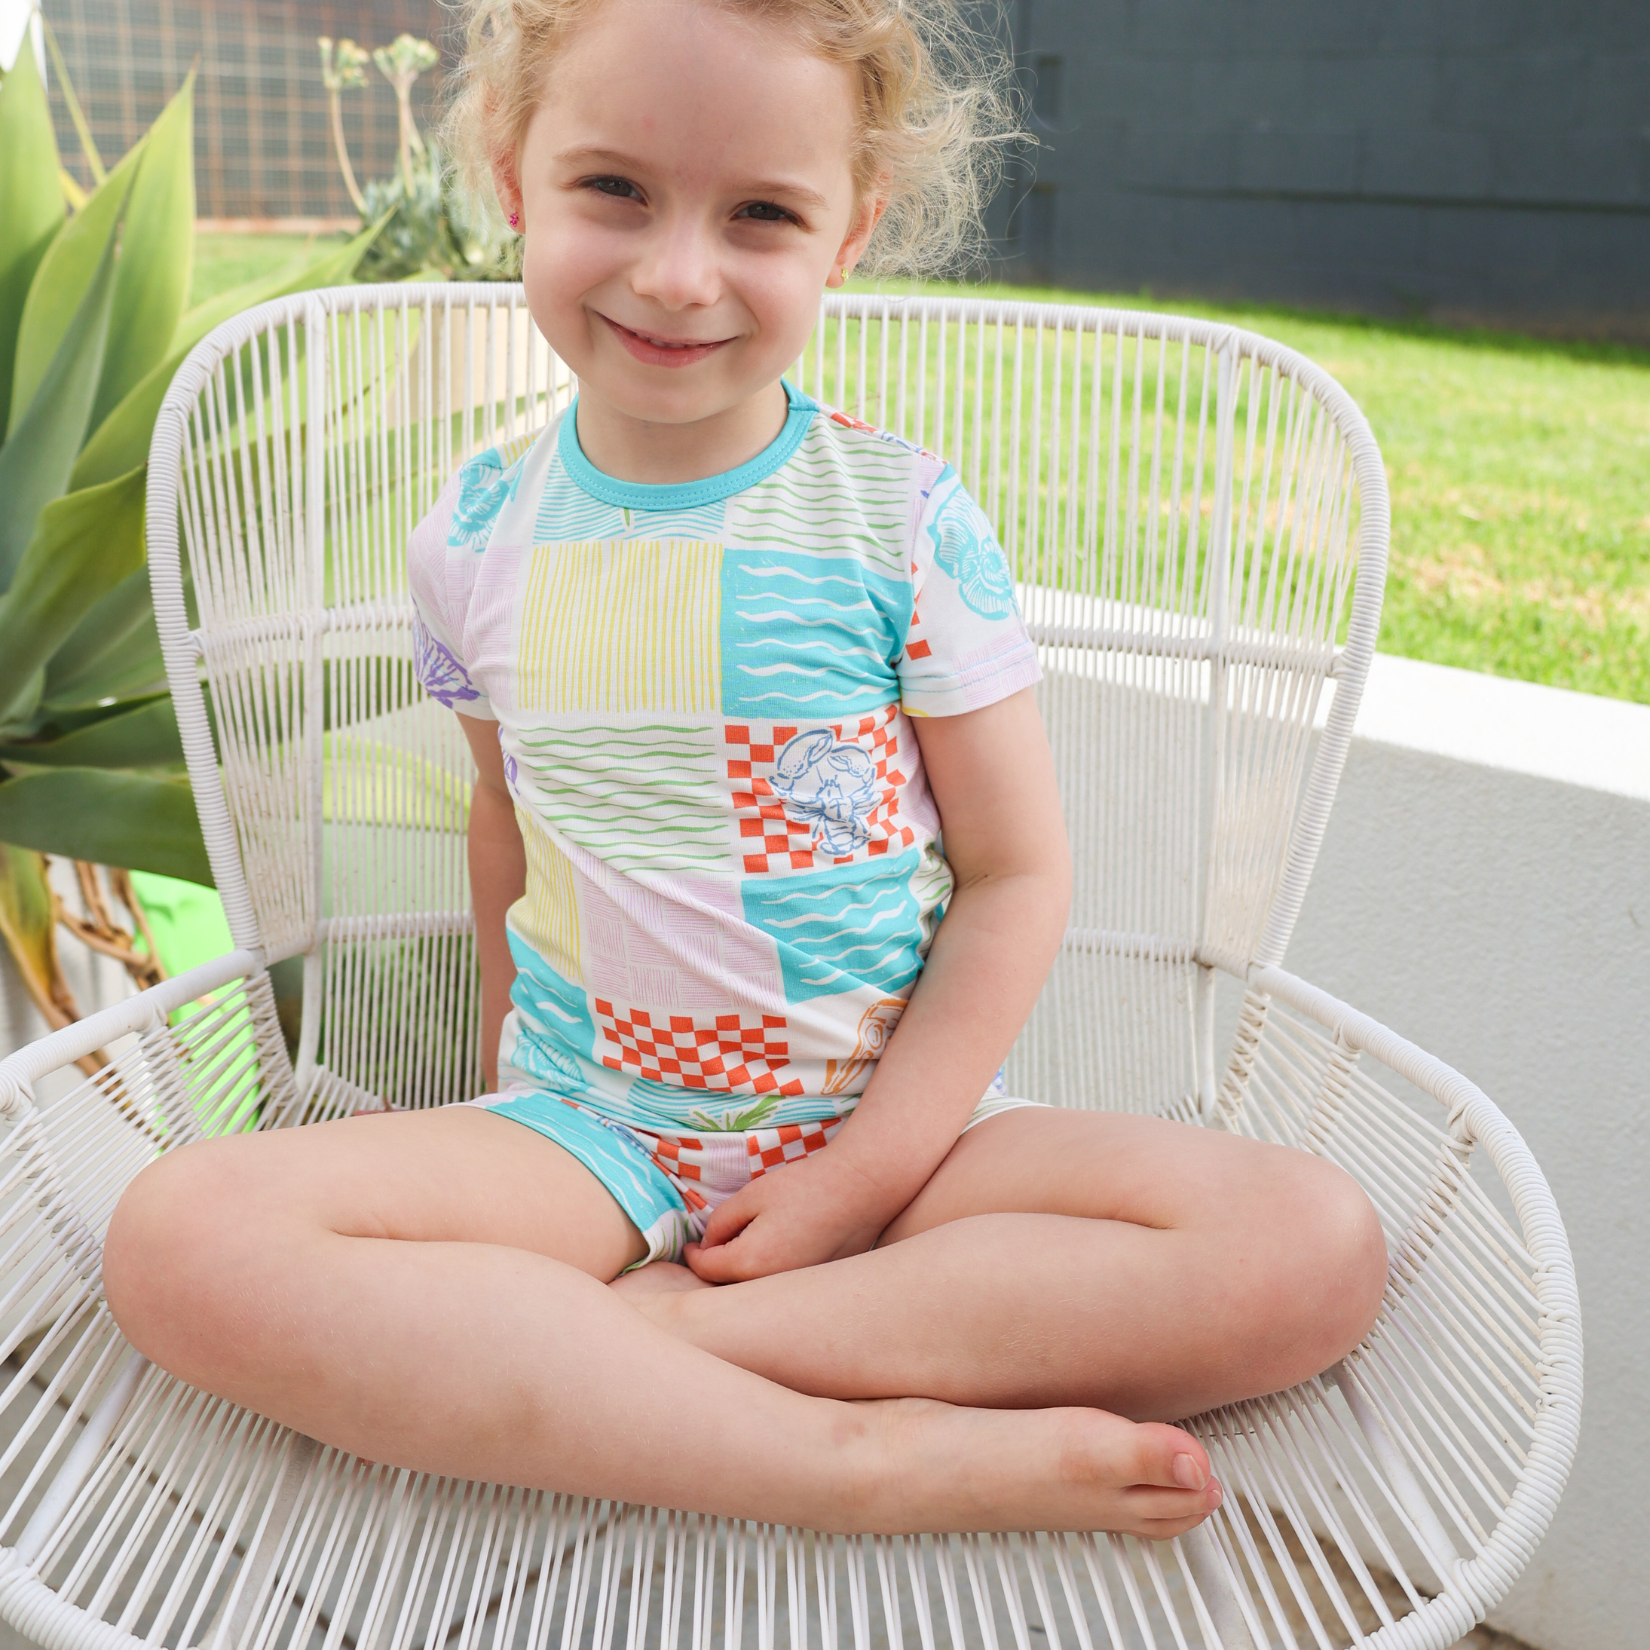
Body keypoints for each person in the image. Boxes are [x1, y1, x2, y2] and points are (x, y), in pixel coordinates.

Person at [102, 0, 1387, 1539]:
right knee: (179, 1234)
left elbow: (1016, 872)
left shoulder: (899, 519)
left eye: (761, 214)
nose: (676, 274)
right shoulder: (471, 536)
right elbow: (508, 817)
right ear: (511, 178)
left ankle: (666, 1348)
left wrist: (859, 1181)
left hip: (904, 1142)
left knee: (1308, 1241)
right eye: (614, 190)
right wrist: (505, 1100)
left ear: (852, 230)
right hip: (592, 1136)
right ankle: (851, 1461)